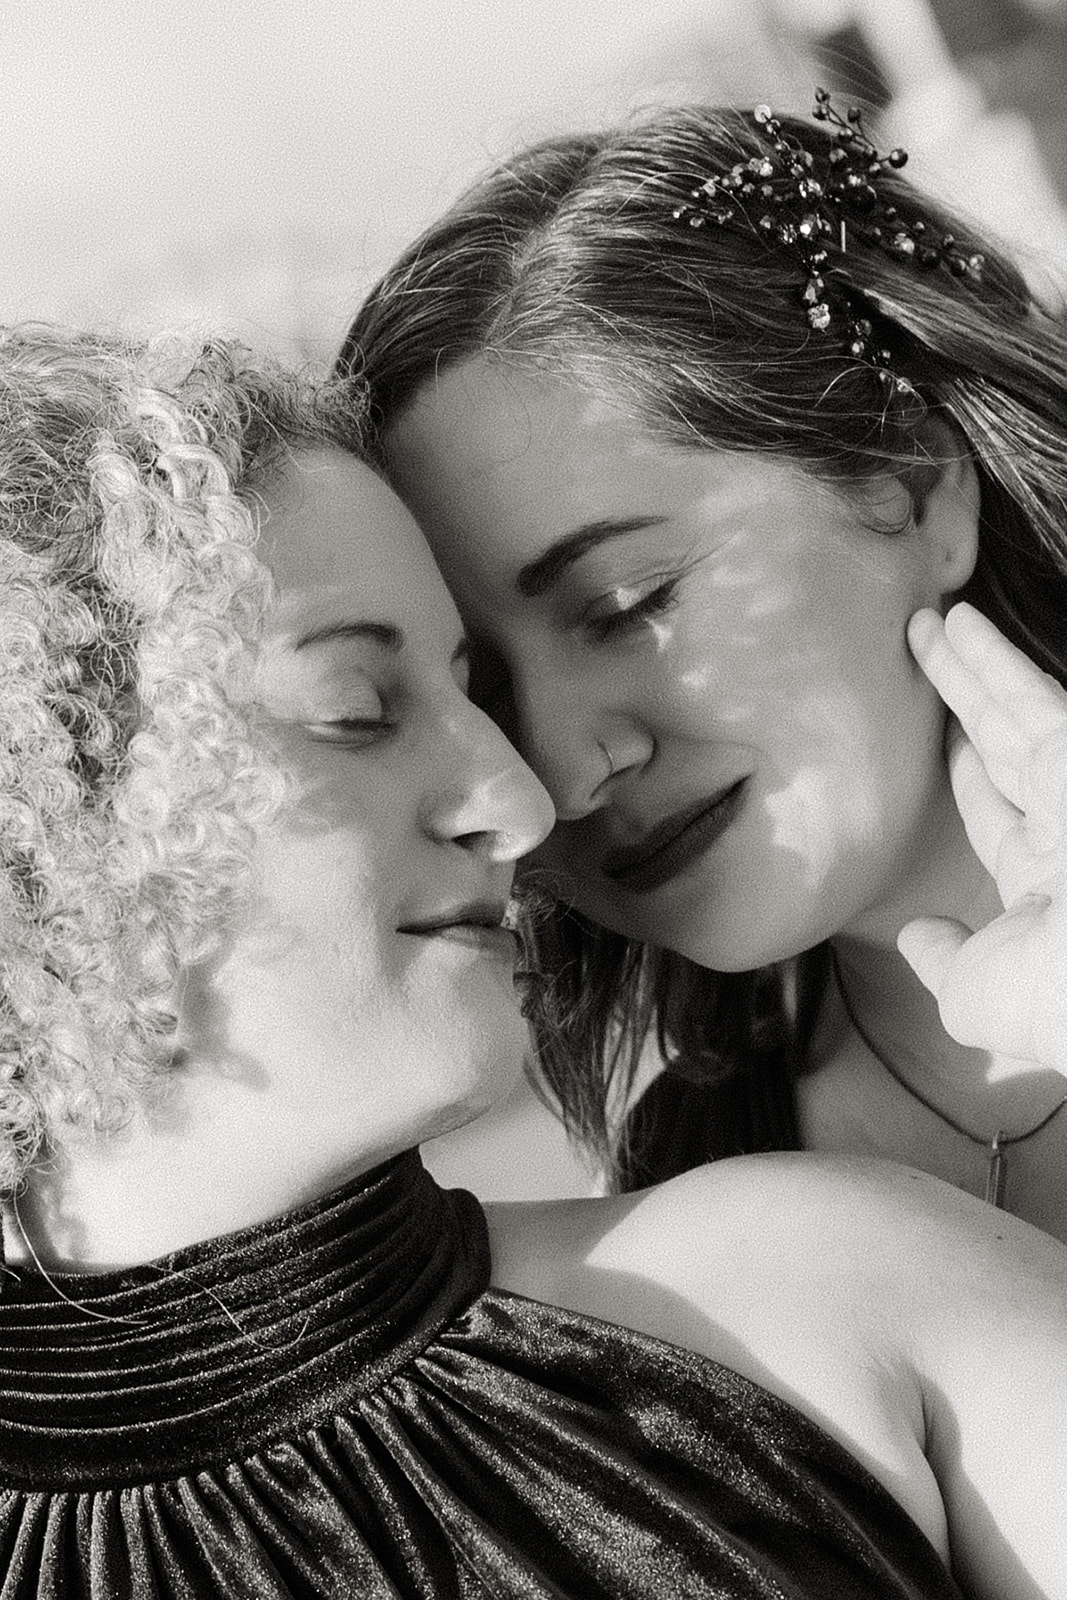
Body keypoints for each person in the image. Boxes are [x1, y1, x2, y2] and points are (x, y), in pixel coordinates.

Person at [2, 322, 1066, 1600]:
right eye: (357, 711)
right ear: (43, 802)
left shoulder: (833, 1304)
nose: (523, 795)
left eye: (623, 608)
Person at [339, 93, 1067, 1241]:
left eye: (626, 605)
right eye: (483, 692)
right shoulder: (687, 1215)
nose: (561, 774)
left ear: (911, 483)